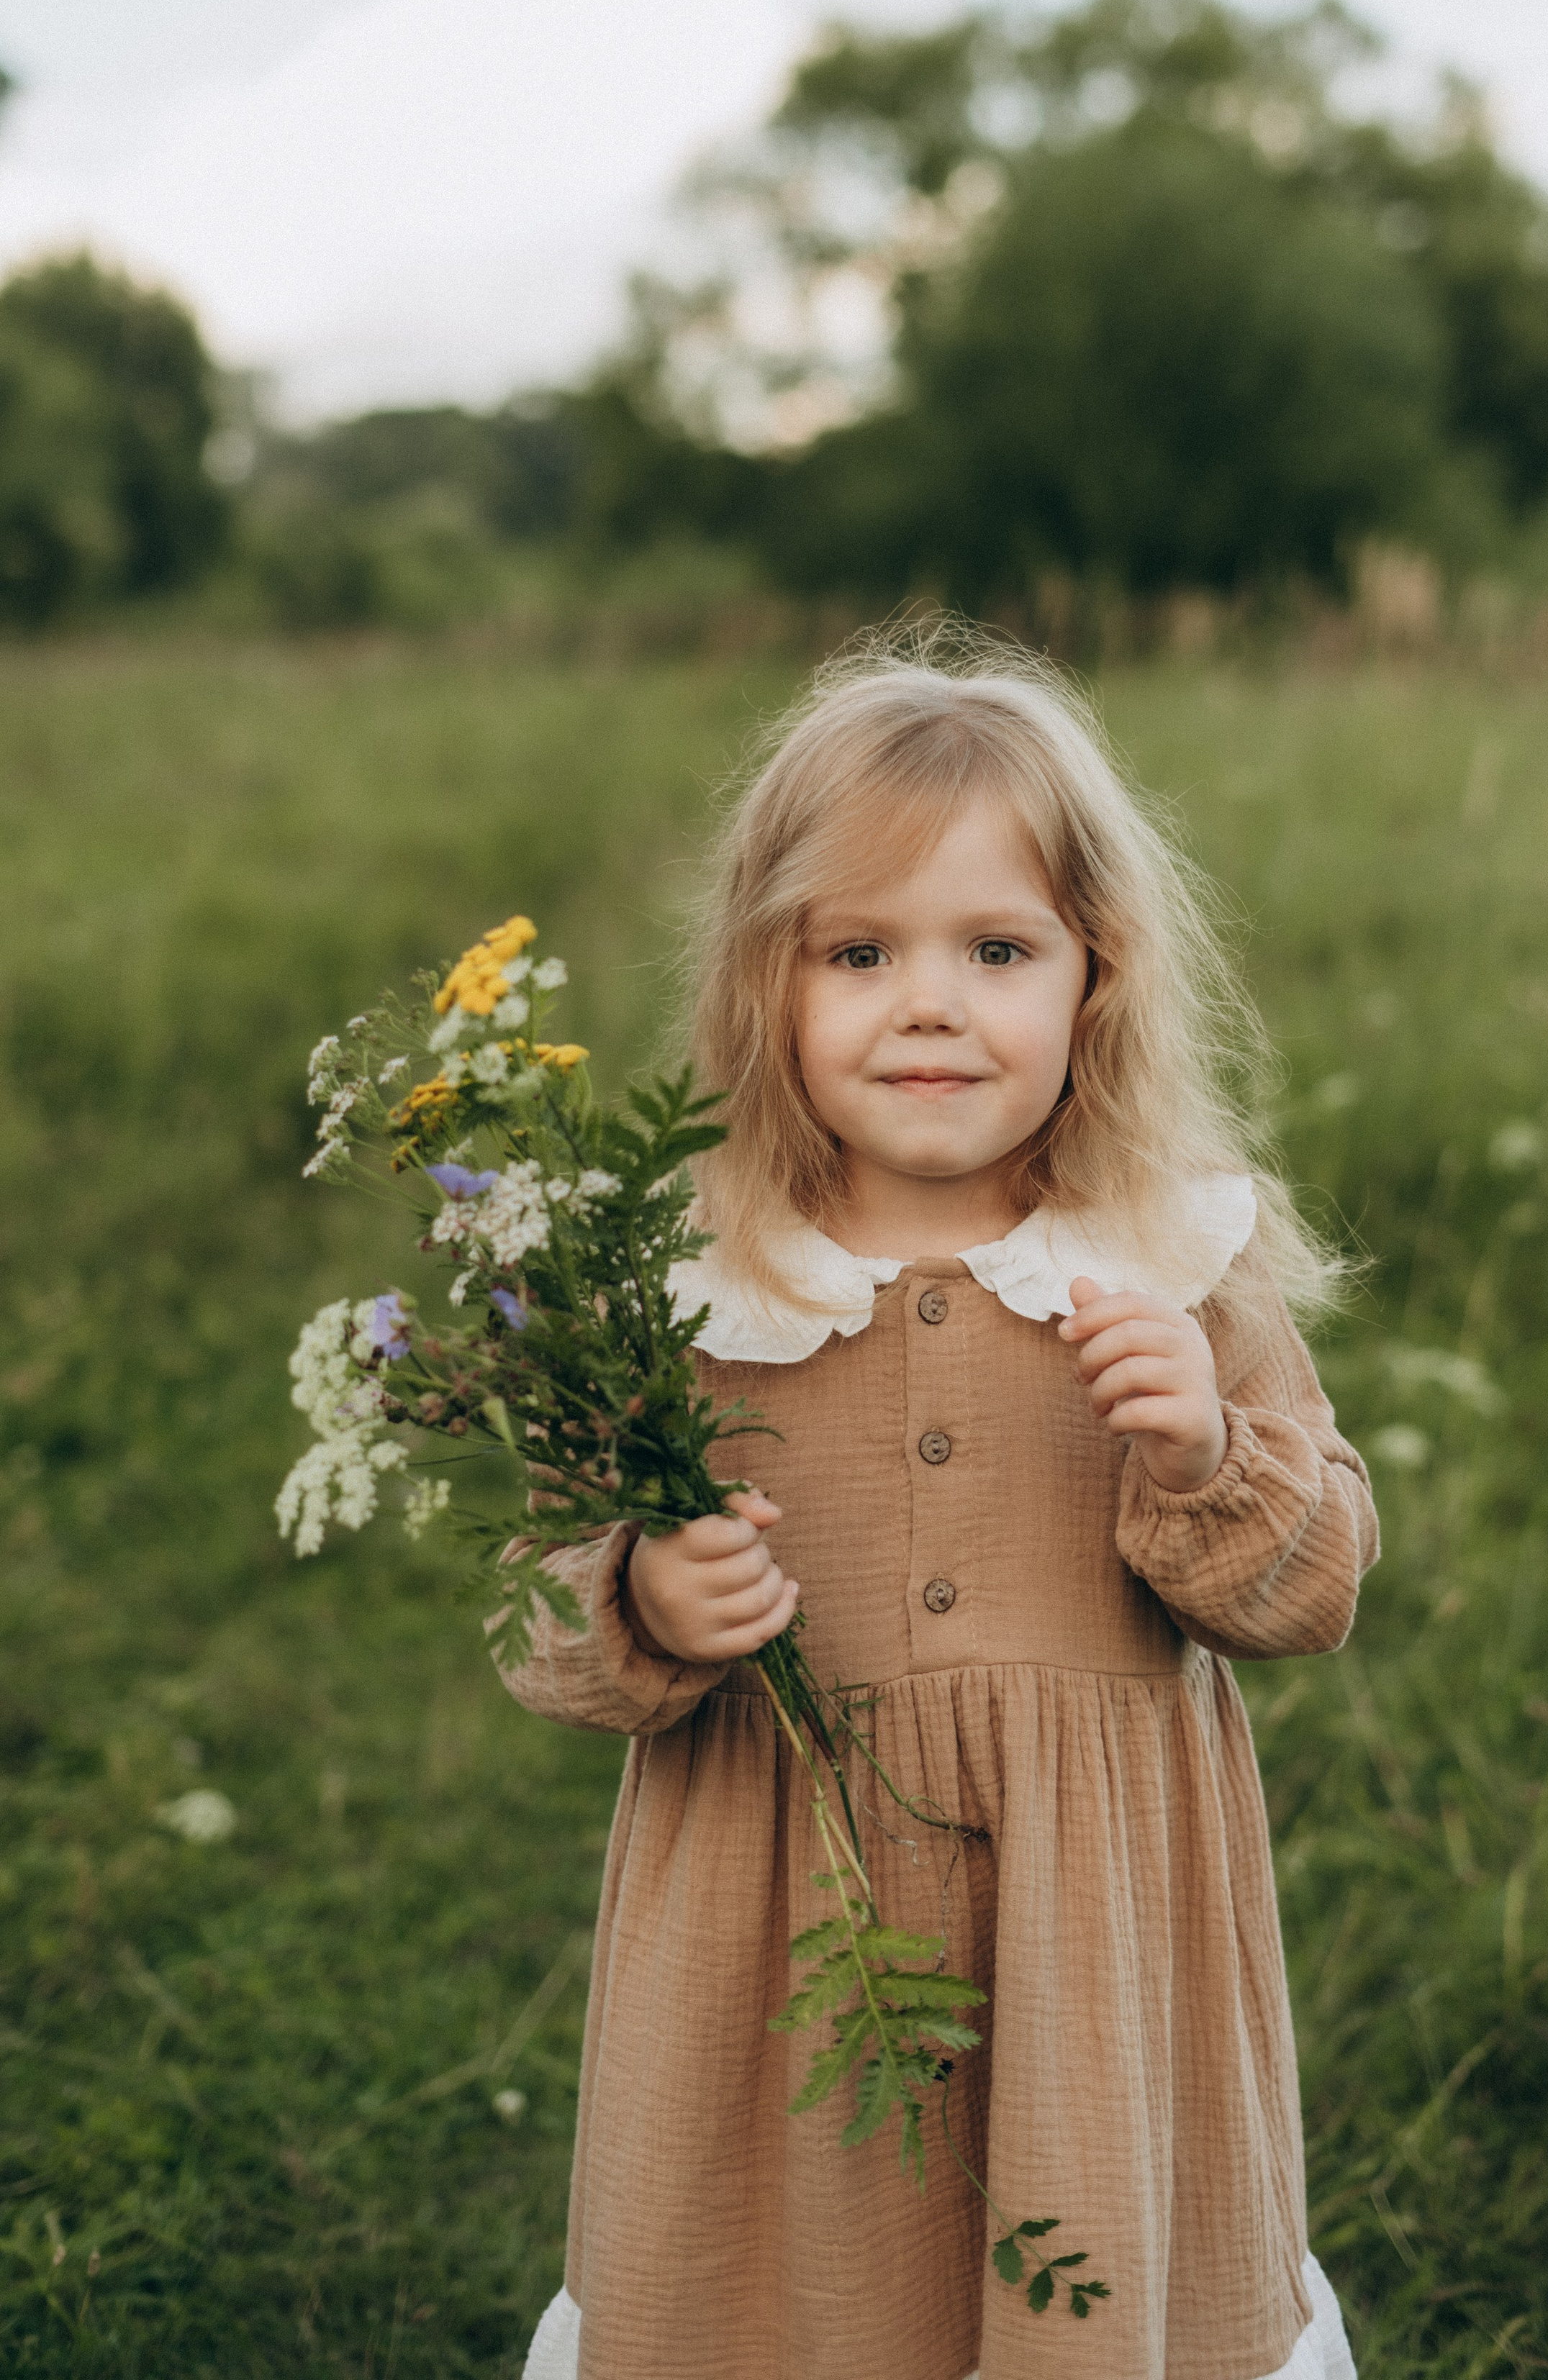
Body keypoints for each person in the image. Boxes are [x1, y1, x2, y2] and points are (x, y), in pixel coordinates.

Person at [504, 632, 1378, 2380]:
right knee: (789, 2294)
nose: (930, 1002)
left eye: (996, 950)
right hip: (776, 1939)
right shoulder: (680, 1290)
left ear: (1092, 983)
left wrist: (1208, 1459)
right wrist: (644, 1603)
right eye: (860, 952)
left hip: (1095, 1944)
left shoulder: (1166, 1265)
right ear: (772, 989)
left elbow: (1314, 1587)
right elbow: (538, 1610)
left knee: (1089, 2278)